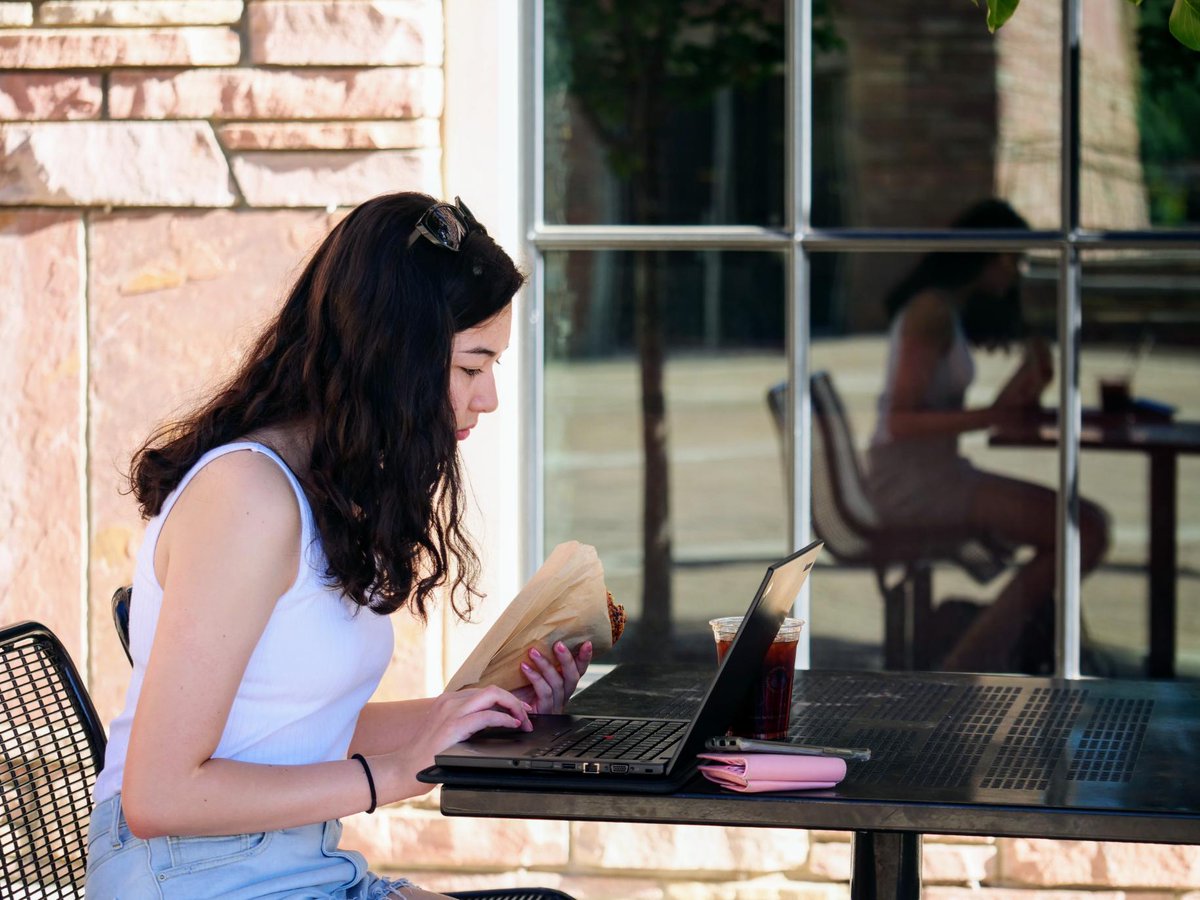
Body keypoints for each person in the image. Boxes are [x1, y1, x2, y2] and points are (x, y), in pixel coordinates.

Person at [86, 192, 589, 899]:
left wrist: (485, 712)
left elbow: (292, 726)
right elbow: (160, 795)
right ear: (394, 358)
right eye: (472, 367)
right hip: (193, 875)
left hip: (287, 864)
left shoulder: (327, 489)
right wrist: (397, 772)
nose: (489, 398)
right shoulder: (248, 498)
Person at [866, 198, 1109, 673]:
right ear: (995, 256)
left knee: (1083, 527)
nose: (1017, 273)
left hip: (936, 474)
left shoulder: (946, 309)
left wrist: (1026, 379)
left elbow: (989, 414)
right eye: (1016, 260)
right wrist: (992, 415)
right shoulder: (930, 312)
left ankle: (983, 650)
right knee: (1082, 530)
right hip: (911, 484)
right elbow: (900, 421)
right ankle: (967, 662)